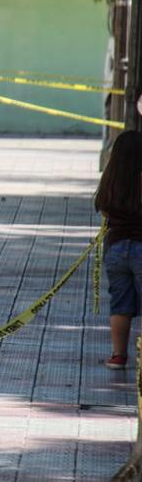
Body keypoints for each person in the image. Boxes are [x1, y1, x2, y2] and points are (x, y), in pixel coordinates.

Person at [95, 130, 142, 369]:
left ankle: (118, 355)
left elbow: (102, 208)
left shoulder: (111, 180)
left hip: (115, 250)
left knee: (120, 304)